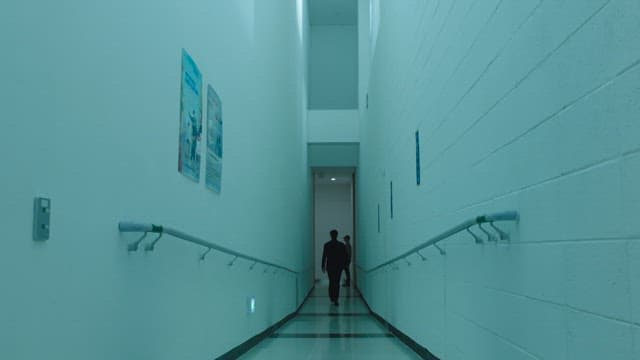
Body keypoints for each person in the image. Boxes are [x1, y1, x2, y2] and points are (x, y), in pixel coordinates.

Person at [322, 229, 348, 306]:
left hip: (330, 266)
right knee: (336, 282)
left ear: (331, 235)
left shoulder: (326, 245)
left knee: (331, 282)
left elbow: (324, 256)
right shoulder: (341, 245)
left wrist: (323, 265)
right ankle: (336, 298)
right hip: (338, 267)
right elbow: (345, 256)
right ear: (336, 235)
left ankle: (332, 297)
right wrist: (344, 265)